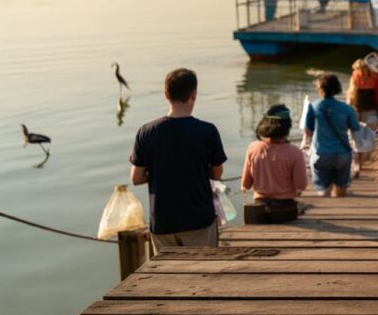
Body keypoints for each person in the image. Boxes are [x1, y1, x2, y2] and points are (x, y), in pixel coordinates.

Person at [129, 68, 226, 251]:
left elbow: (136, 178)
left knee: (168, 269)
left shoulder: (146, 132)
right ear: (194, 94)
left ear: (166, 94)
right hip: (199, 220)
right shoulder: (208, 131)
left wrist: (159, 171)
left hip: (163, 222)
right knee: (203, 267)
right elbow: (217, 173)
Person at [240, 104, 307, 223]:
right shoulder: (294, 152)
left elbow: (245, 184)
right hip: (285, 211)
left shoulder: (253, 148)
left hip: (259, 211)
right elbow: (301, 185)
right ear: (287, 127)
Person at [304, 74, 360, 197]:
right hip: (342, 154)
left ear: (320, 89)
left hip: (320, 153)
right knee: (341, 189)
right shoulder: (347, 108)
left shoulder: (313, 107)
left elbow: (308, 131)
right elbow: (356, 128)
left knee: (323, 191)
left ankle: (327, 200)